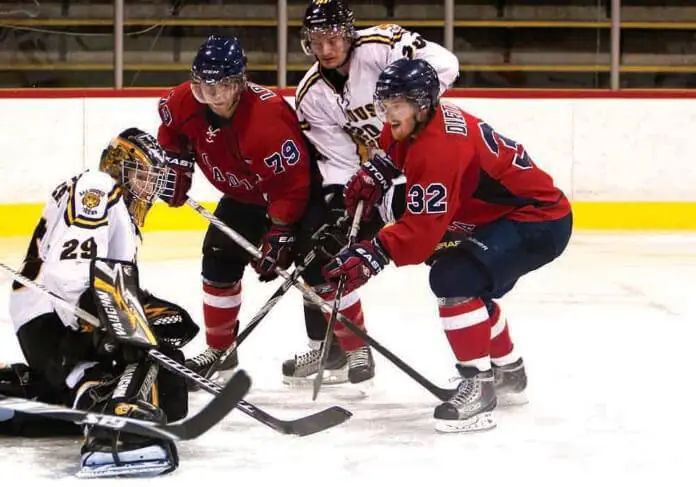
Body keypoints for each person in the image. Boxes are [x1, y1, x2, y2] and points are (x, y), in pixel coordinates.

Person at [322, 58, 573, 432]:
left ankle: (479, 387)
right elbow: (396, 151)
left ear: (422, 104)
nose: (388, 114)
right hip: (496, 211)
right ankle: (508, 372)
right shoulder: (418, 121)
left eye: (397, 105)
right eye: (384, 103)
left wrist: (374, 252)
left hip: (537, 221)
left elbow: (421, 235)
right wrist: (381, 170)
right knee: (467, 279)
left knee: (455, 278)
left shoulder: (440, 150)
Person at [281, 0, 460, 386]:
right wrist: (345, 198)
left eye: (333, 39)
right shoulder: (311, 92)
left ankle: (491, 361)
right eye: (317, 40)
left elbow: (447, 64)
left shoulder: (382, 47)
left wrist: (414, 101)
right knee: (323, 251)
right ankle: (342, 350)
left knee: (454, 262)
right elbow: (338, 156)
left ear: (349, 34)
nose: (326, 50)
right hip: (375, 182)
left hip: (425, 168)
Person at [2, 128, 197, 476]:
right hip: (54, 314)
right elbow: (69, 272)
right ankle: (118, 428)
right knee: (145, 354)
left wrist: (137, 309)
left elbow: (108, 281)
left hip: (60, 315)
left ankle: (25, 391)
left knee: (166, 354)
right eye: (143, 175)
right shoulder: (99, 186)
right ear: (118, 167)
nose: (150, 187)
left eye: (153, 179)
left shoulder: (119, 207)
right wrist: (110, 317)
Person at [157, 35, 315, 379]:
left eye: (223, 85)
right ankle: (220, 351)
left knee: (317, 267)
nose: (212, 95)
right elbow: (170, 131)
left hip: (292, 197)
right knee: (218, 256)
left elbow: (294, 185)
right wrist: (177, 165)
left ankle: (331, 351)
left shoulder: (266, 120)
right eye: (204, 85)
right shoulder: (184, 101)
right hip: (244, 198)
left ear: (239, 83)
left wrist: (282, 231)